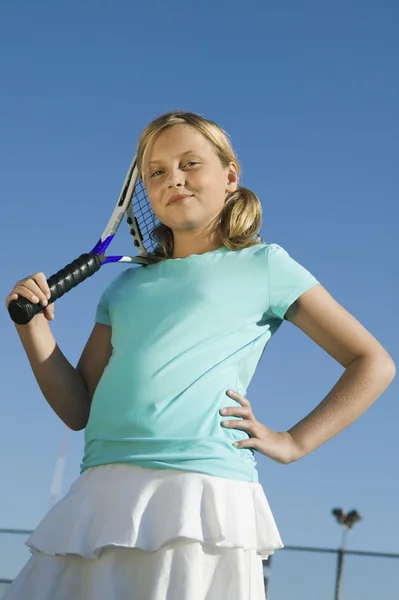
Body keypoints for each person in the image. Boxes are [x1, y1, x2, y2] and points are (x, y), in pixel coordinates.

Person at [4, 111, 395, 600]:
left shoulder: (266, 265)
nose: (175, 179)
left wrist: (293, 442)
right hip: (101, 492)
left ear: (230, 176)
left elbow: (372, 362)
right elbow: (78, 407)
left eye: (190, 163)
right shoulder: (125, 287)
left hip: (201, 492)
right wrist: (32, 326)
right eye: (158, 172)